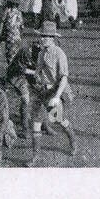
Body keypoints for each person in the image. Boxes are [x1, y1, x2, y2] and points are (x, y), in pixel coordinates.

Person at [28, 21, 76, 163]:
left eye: (45, 37)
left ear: (52, 38)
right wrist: (35, 76)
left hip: (53, 91)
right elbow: (38, 69)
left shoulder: (59, 54)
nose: (42, 39)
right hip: (41, 91)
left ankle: (73, 142)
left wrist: (56, 97)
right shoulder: (42, 52)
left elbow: (64, 78)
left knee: (59, 120)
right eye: (41, 36)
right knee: (35, 123)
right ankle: (35, 156)